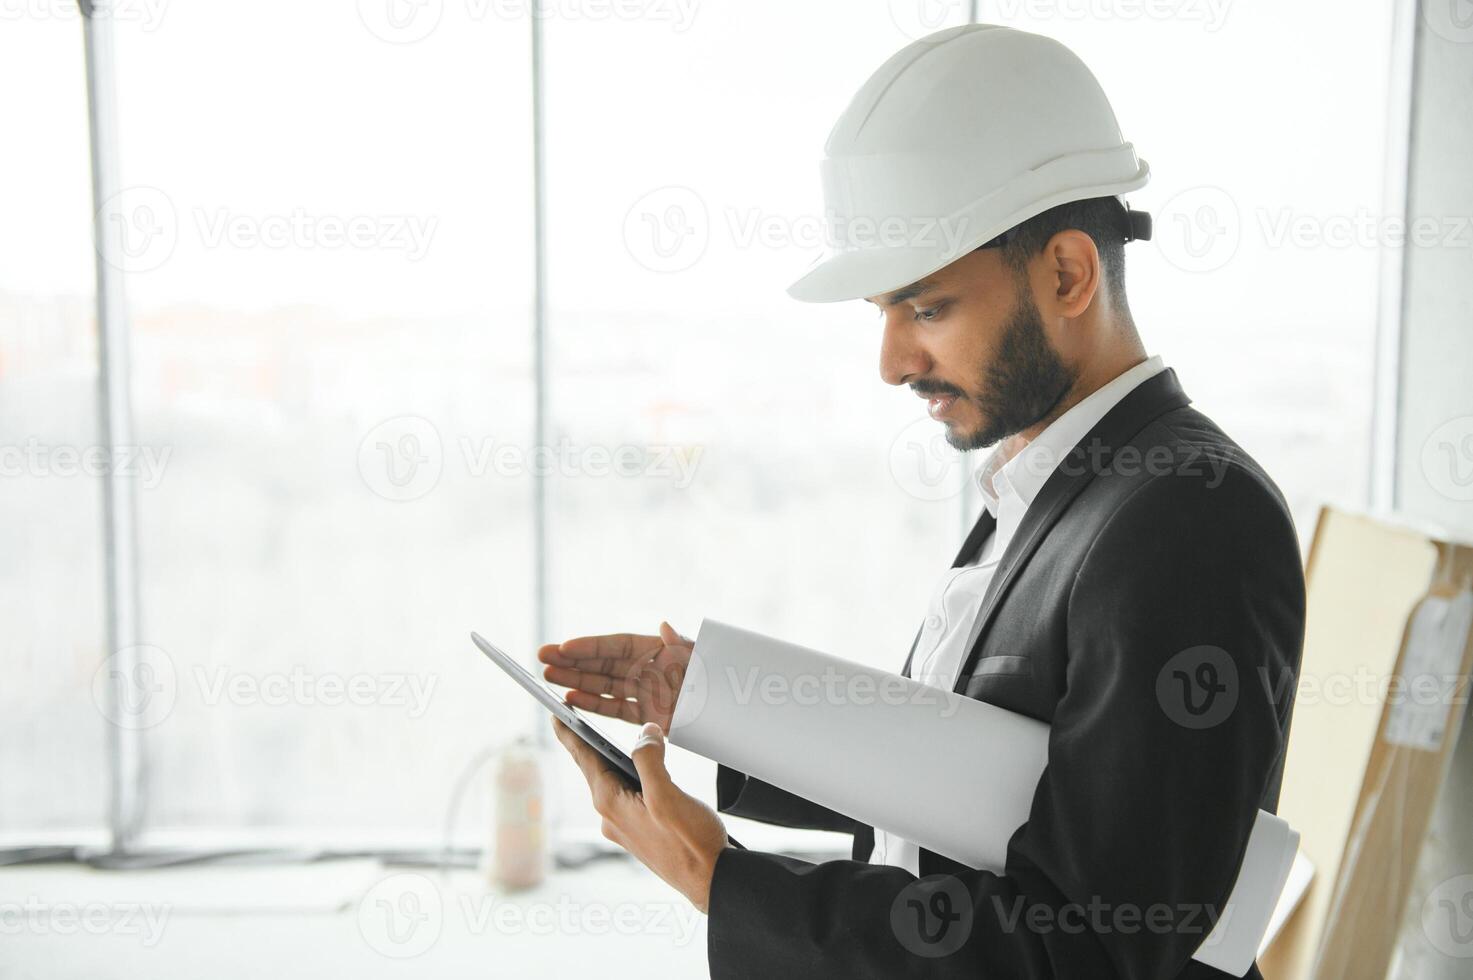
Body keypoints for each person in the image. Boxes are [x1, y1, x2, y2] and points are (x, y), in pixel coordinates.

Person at [542, 23, 1305, 980]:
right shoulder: (1053, 485)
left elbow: (1090, 952)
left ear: (1066, 273)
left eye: (927, 307)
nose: (894, 362)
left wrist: (720, 880)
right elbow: (983, 784)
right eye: (884, 316)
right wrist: (725, 703)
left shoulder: (1189, 518)